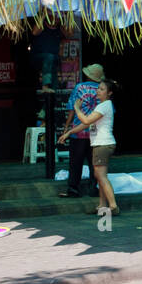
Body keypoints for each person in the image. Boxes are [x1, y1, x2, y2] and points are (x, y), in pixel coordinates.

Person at [59, 78, 119, 216]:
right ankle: (102, 205)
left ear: (109, 93)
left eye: (102, 89)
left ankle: (113, 205)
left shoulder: (104, 106)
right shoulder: (102, 106)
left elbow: (85, 120)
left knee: (101, 176)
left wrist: (77, 108)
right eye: (99, 88)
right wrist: (69, 133)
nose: (98, 91)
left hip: (102, 144)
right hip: (101, 143)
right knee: (99, 176)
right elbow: (86, 125)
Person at [59, 64, 103, 199]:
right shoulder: (103, 89)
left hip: (78, 132)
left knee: (75, 162)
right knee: (94, 163)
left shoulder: (79, 87)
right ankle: (94, 188)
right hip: (96, 133)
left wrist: (67, 128)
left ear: (88, 75)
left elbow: (72, 109)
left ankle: (73, 189)